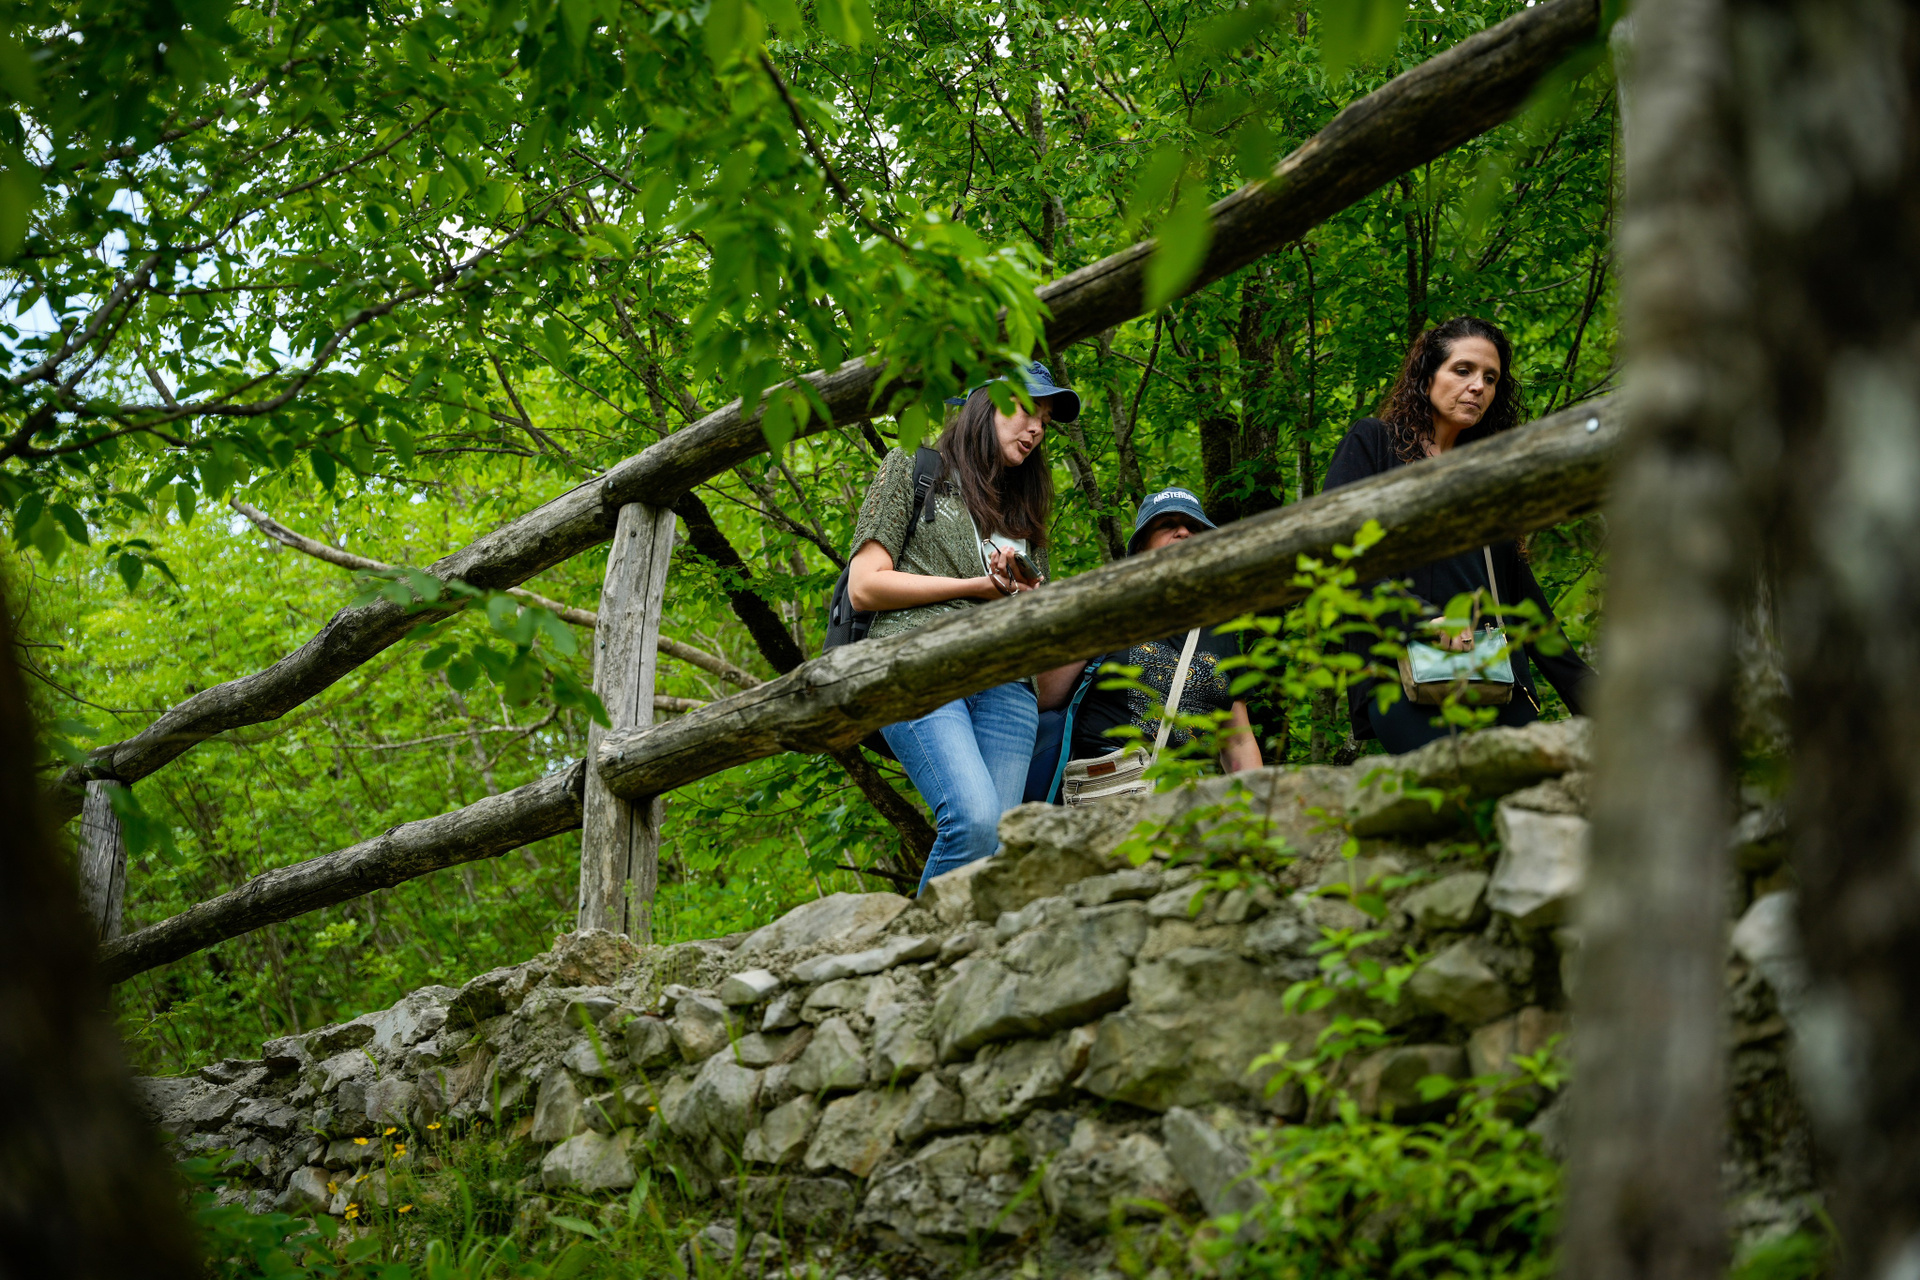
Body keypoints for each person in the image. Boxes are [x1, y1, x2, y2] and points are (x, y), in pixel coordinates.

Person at [848, 360, 1079, 893]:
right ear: (984, 405)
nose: (1036, 429)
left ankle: (954, 949)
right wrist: (975, 586)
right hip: (918, 662)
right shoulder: (912, 468)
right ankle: (916, 944)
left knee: (998, 848)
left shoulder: (1025, 515)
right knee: (972, 819)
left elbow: (1032, 616)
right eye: (1026, 410)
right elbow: (865, 585)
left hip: (1008, 687)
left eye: (1045, 421)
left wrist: (1028, 598)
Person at [1323, 316, 1594, 754]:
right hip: (1407, 676)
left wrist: (1592, 696)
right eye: (1463, 370)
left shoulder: (1486, 480)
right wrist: (1421, 619)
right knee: (1451, 792)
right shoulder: (1374, 444)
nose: (1478, 386)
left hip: (1495, 683)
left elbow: (1526, 606)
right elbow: (1339, 555)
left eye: (1490, 378)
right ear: (1427, 375)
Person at [1031, 488, 1263, 800]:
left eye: (1194, 527)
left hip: (1186, 796)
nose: (1184, 532)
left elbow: (1237, 741)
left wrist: (1259, 808)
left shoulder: (1222, 630)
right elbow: (1043, 695)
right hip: (1105, 791)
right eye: (1168, 525)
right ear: (1141, 547)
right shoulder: (1108, 605)